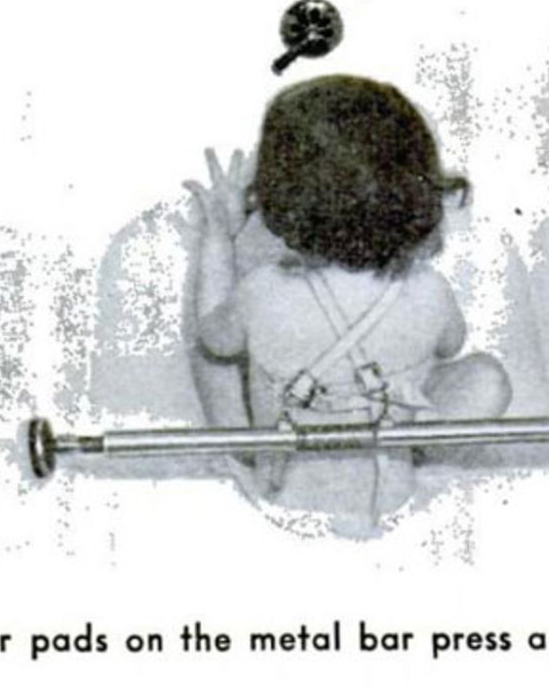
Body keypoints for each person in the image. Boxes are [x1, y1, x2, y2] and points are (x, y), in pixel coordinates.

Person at [184, 75, 511, 523]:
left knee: (212, 351)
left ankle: (246, 449)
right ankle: (415, 452)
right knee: (486, 376)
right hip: (388, 487)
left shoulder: (262, 290)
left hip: (285, 484)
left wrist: (220, 238)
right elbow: (450, 344)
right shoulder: (431, 291)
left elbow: (215, 338)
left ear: (280, 200)